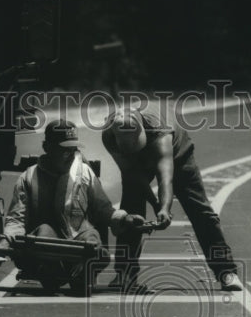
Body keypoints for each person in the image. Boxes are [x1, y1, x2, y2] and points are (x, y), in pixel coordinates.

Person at [101, 104, 242, 291]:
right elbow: (132, 175)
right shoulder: (109, 135)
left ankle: (226, 271)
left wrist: (164, 209)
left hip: (177, 155)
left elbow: (165, 178)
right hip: (137, 163)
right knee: (131, 211)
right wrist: (154, 203)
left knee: (199, 210)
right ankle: (125, 274)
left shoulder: (160, 134)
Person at [0, 119, 134, 253]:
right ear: (47, 147)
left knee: (91, 236)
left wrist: (123, 218)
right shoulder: (28, 177)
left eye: (74, 150)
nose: (72, 156)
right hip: (44, 248)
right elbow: (17, 218)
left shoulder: (84, 172)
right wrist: (5, 241)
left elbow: (103, 209)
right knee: (44, 231)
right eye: (65, 150)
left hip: (79, 241)